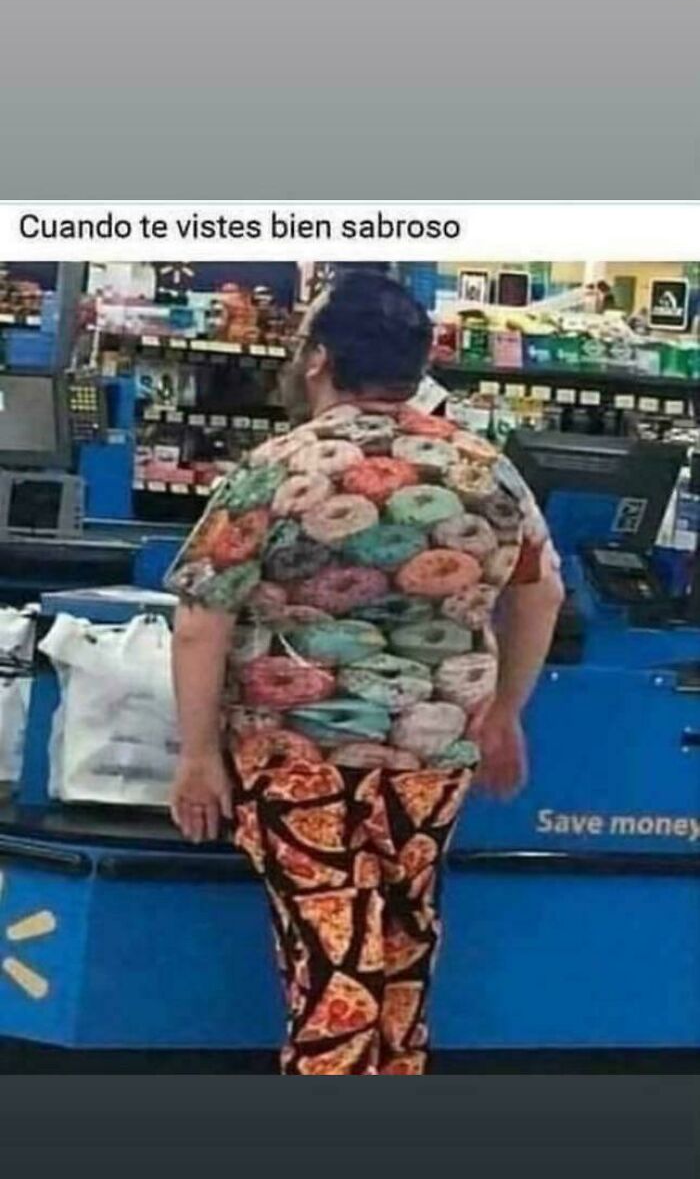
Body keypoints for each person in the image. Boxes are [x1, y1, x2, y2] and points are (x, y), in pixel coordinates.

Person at [166, 272, 564, 1076]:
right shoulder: (485, 466)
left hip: (297, 757)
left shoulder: (277, 468)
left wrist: (197, 754)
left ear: (319, 359)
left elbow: (202, 619)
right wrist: (504, 710)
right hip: (432, 753)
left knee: (330, 956)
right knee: (402, 940)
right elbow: (542, 590)